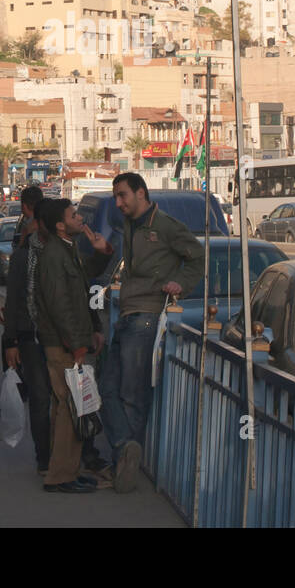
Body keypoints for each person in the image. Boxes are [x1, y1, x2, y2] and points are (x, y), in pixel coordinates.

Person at [102, 172, 202, 494]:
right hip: (127, 314)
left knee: (133, 395)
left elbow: (197, 258)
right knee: (106, 389)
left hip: (146, 316)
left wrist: (180, 284)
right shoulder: (130, 224)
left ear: (141, 193)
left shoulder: (167, 226)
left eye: (123, 196)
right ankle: (125, 448)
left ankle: (125, 467)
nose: (118, 203)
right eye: (116, 197)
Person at [34, 199, 108, 493]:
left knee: (71, 407)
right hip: (62, 344)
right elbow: (59, 304)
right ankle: (59, 477)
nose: (81, 219)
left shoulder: (68, 248)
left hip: (71, 341)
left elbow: (82, 281)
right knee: (68, 408)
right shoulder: (53, 253)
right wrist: (76, 343)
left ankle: (68, 470)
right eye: (74, 215)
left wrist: (102, 252)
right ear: (60, 225)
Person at [2, 185, 50, 472]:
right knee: (40, 396)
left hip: (57, 339)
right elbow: (13, 297)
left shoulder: (61, 254)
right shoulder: (23, 256)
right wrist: (11, 341)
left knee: (56, 397)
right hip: (30, 337)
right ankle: (44, 457)